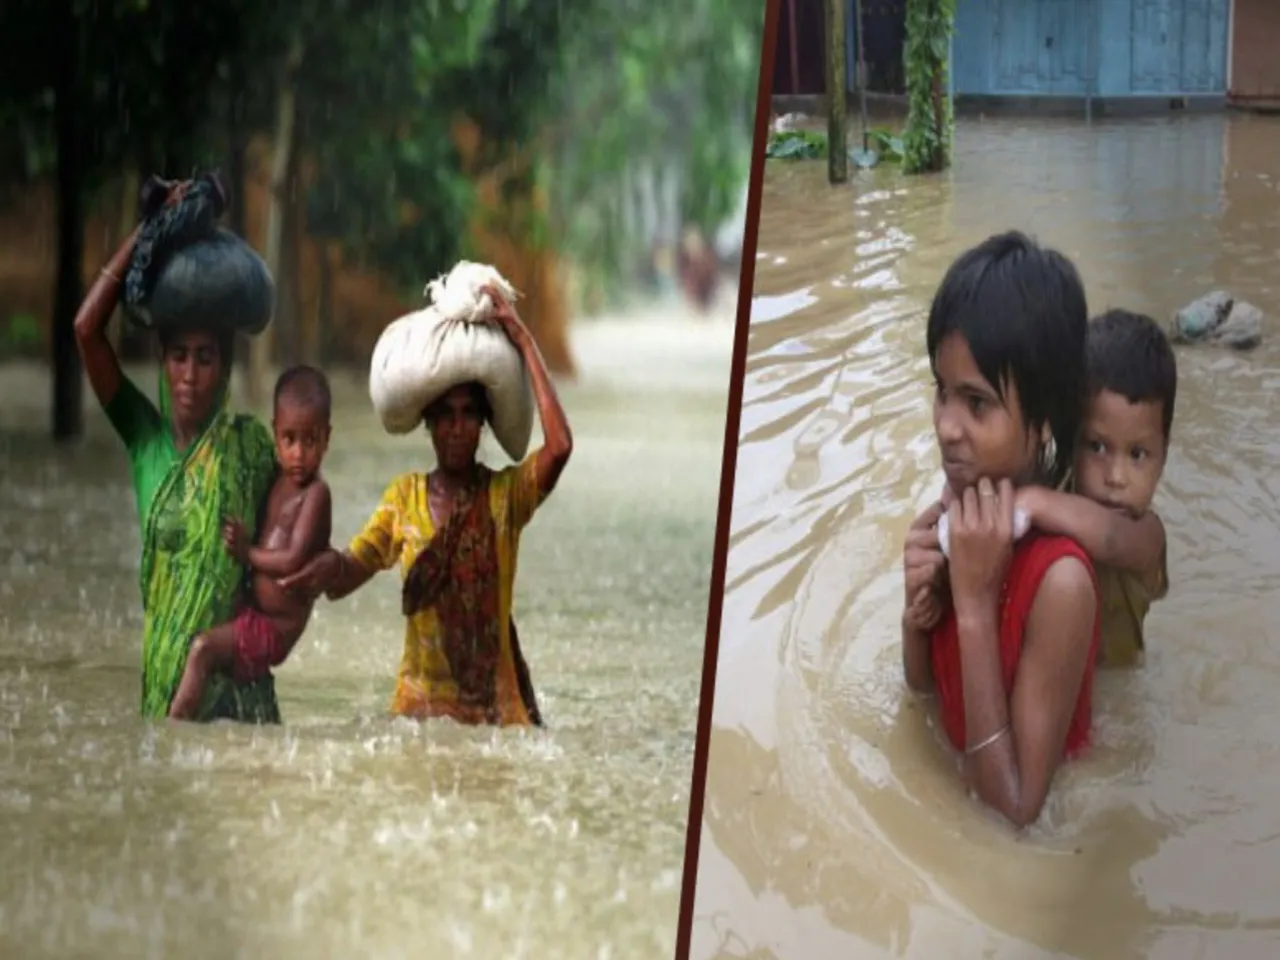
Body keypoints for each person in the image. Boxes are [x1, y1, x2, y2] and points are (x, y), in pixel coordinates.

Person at [278, 284, 572, 727]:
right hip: (419, 717)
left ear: (483, 424)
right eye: (445, 415)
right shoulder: (404, 498)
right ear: (429, 424)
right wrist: (323, 570)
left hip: (495, 719)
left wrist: (524, 340)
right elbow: (348, 574)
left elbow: (560, 446)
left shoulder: (504, 497)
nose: (457, 428)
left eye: (469, 414)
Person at [899, 231, 1101, 830]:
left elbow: (1012, 814)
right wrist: (918, 613)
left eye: (976, 404)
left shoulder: (1061, 582)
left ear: (1042, 424)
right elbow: (922, 694)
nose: (945, 425)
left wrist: (975, 607)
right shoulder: (954, 510)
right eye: (941, 391)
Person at [74, 179, 282, 722]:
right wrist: (151, 229)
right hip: (163, 692)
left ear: (225, 366)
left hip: (238, 705)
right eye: (179, 356)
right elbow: (85, 329)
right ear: (162, 361)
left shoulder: (251, 448)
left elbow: (291, 560)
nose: (190, 375)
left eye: (206, 358)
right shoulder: (144, 439)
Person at [168, 366, 333, 719]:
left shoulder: (316, 494)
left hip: (274, 628)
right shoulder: (276, 477)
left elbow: (291, 559)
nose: (299, 454)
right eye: (289, 440)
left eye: (310, 440)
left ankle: (168, 734)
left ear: (327, 439)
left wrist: (246, 553)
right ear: (275, 434)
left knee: (202, 649)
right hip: (255, 612)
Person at [1014, 310, 1176, 668]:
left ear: (1164, 457)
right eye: (1097, 447)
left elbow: (1111, 540)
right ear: (1070, 440)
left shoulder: (1147, 537)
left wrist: (1032, 502)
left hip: (1118, 684)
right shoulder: (1058, 497)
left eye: (1138, 454)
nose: (1116, 477)